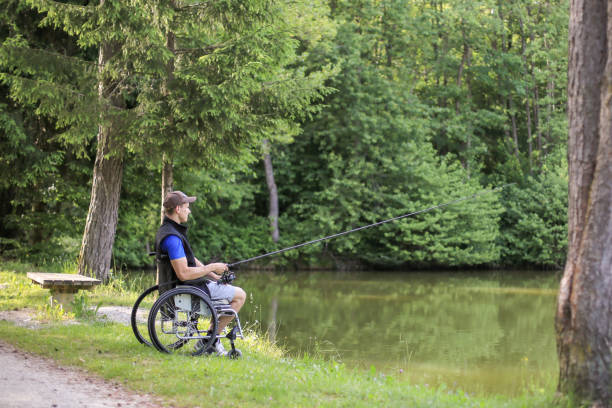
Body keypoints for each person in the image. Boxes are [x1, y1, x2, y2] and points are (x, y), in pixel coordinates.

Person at [154, 190, 246, 356]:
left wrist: (214, 276)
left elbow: (188, 258)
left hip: (186, 285)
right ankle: (210, 340)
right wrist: (211, 267)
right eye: (187, 207)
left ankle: (210, 339)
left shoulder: (168, 230)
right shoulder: (173, 238)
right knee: (240, 295)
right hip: (188, 288)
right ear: (177, 209)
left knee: (227, 291)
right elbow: (183, 273)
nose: (189, 211)